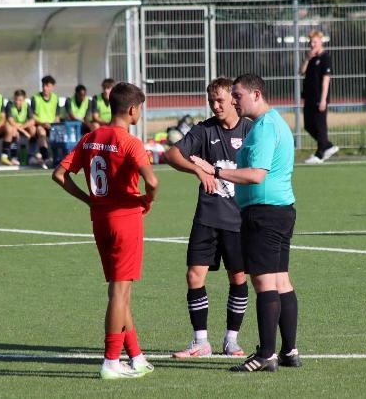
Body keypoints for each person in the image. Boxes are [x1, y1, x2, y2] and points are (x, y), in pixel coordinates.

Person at [191, 74, 300, 373]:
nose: (234, 101)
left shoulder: (264, 127)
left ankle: (266, 354)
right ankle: (289, 351)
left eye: (237, 96)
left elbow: (256, 175)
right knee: (281, 280)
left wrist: (215, 170)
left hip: (264, 214)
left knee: (264, 283)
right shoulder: (276, 122)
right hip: (280, 209)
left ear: (256, 94)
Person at [52, 82, 158, 379]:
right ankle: (111, 361)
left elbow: (59, 174)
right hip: (126, 220)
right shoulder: (130, 142)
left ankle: (135, 356)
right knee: (120, 293)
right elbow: (152, 182)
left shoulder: (90, 138)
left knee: (121, 291)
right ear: (132, 110)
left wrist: (89, 199)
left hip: (100, 219)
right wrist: (147, 200)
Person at [165, 77, 252, 358]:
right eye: (211, 101)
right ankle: (201, 341)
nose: (215, 106)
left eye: (220, 100)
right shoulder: (204, 130)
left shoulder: (251, 130)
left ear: (233, 100)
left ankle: (231, 340)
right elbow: (172, 155)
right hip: (207, 216)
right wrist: (197, 170)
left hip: (239, 220)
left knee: (238, 277)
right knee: (194, 276)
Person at [300, 30, 339, 164]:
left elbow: (326, 80)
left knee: (320, 126)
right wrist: (307, 59)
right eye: (311, 42)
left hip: (319, 98)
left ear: (321, 42)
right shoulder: (310, 58)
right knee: (308, 125)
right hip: (309, 97)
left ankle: (320, 154)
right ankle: (327, 146)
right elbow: (301, 71)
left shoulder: (325, 58)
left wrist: (323, 99)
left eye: (315, 42)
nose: (312, 44)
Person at [31, 75, 60, 168]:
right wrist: (42, 123)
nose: (44, 88)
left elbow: (57, 116)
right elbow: (33, 116)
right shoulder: (35, 98)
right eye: (43, 85)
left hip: (52, 126)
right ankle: (46, 158)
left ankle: (59, 158)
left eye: (47, 86)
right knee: (41, 132)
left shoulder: (55, 98)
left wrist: (54, 125)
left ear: (52, 87)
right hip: (40, 125)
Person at [5, 89, 36, 165]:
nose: (17, 102)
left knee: (33, 129)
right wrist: (24, 132)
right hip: (12, 126)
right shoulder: (9, 104)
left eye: (20, 100)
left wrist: (22, 127)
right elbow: (11, 121)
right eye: (16, 99)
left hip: (21, 126)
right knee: (13, 132)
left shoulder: (27, 105)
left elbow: (32, 121)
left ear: (24, 99)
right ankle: (13, 157)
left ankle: (32, 155)